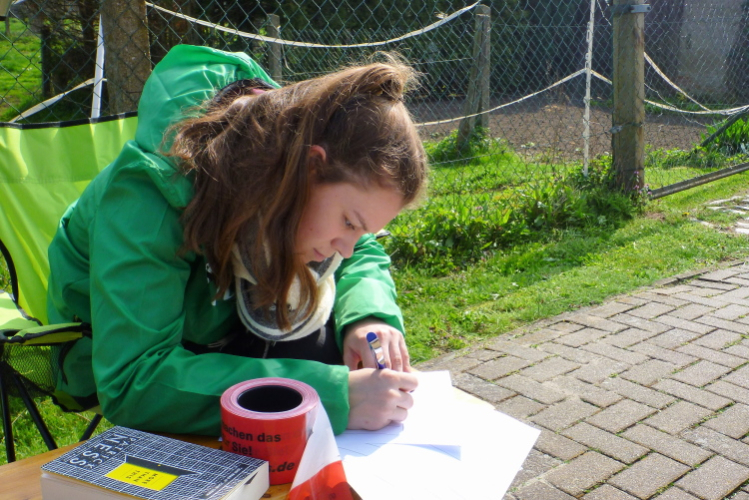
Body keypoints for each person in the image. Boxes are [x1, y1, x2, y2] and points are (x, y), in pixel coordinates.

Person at [46, 44, 429, 436]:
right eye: (348, 222)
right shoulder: (146, 197)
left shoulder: (283, 144)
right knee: (322, 376)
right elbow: (132, 382)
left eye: (361, 228)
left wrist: (369, 318)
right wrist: (329, 396)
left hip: (221, 326)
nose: (346, 247)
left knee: (324, 347)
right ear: (309, 167)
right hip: (135, 353)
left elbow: (360, 251)